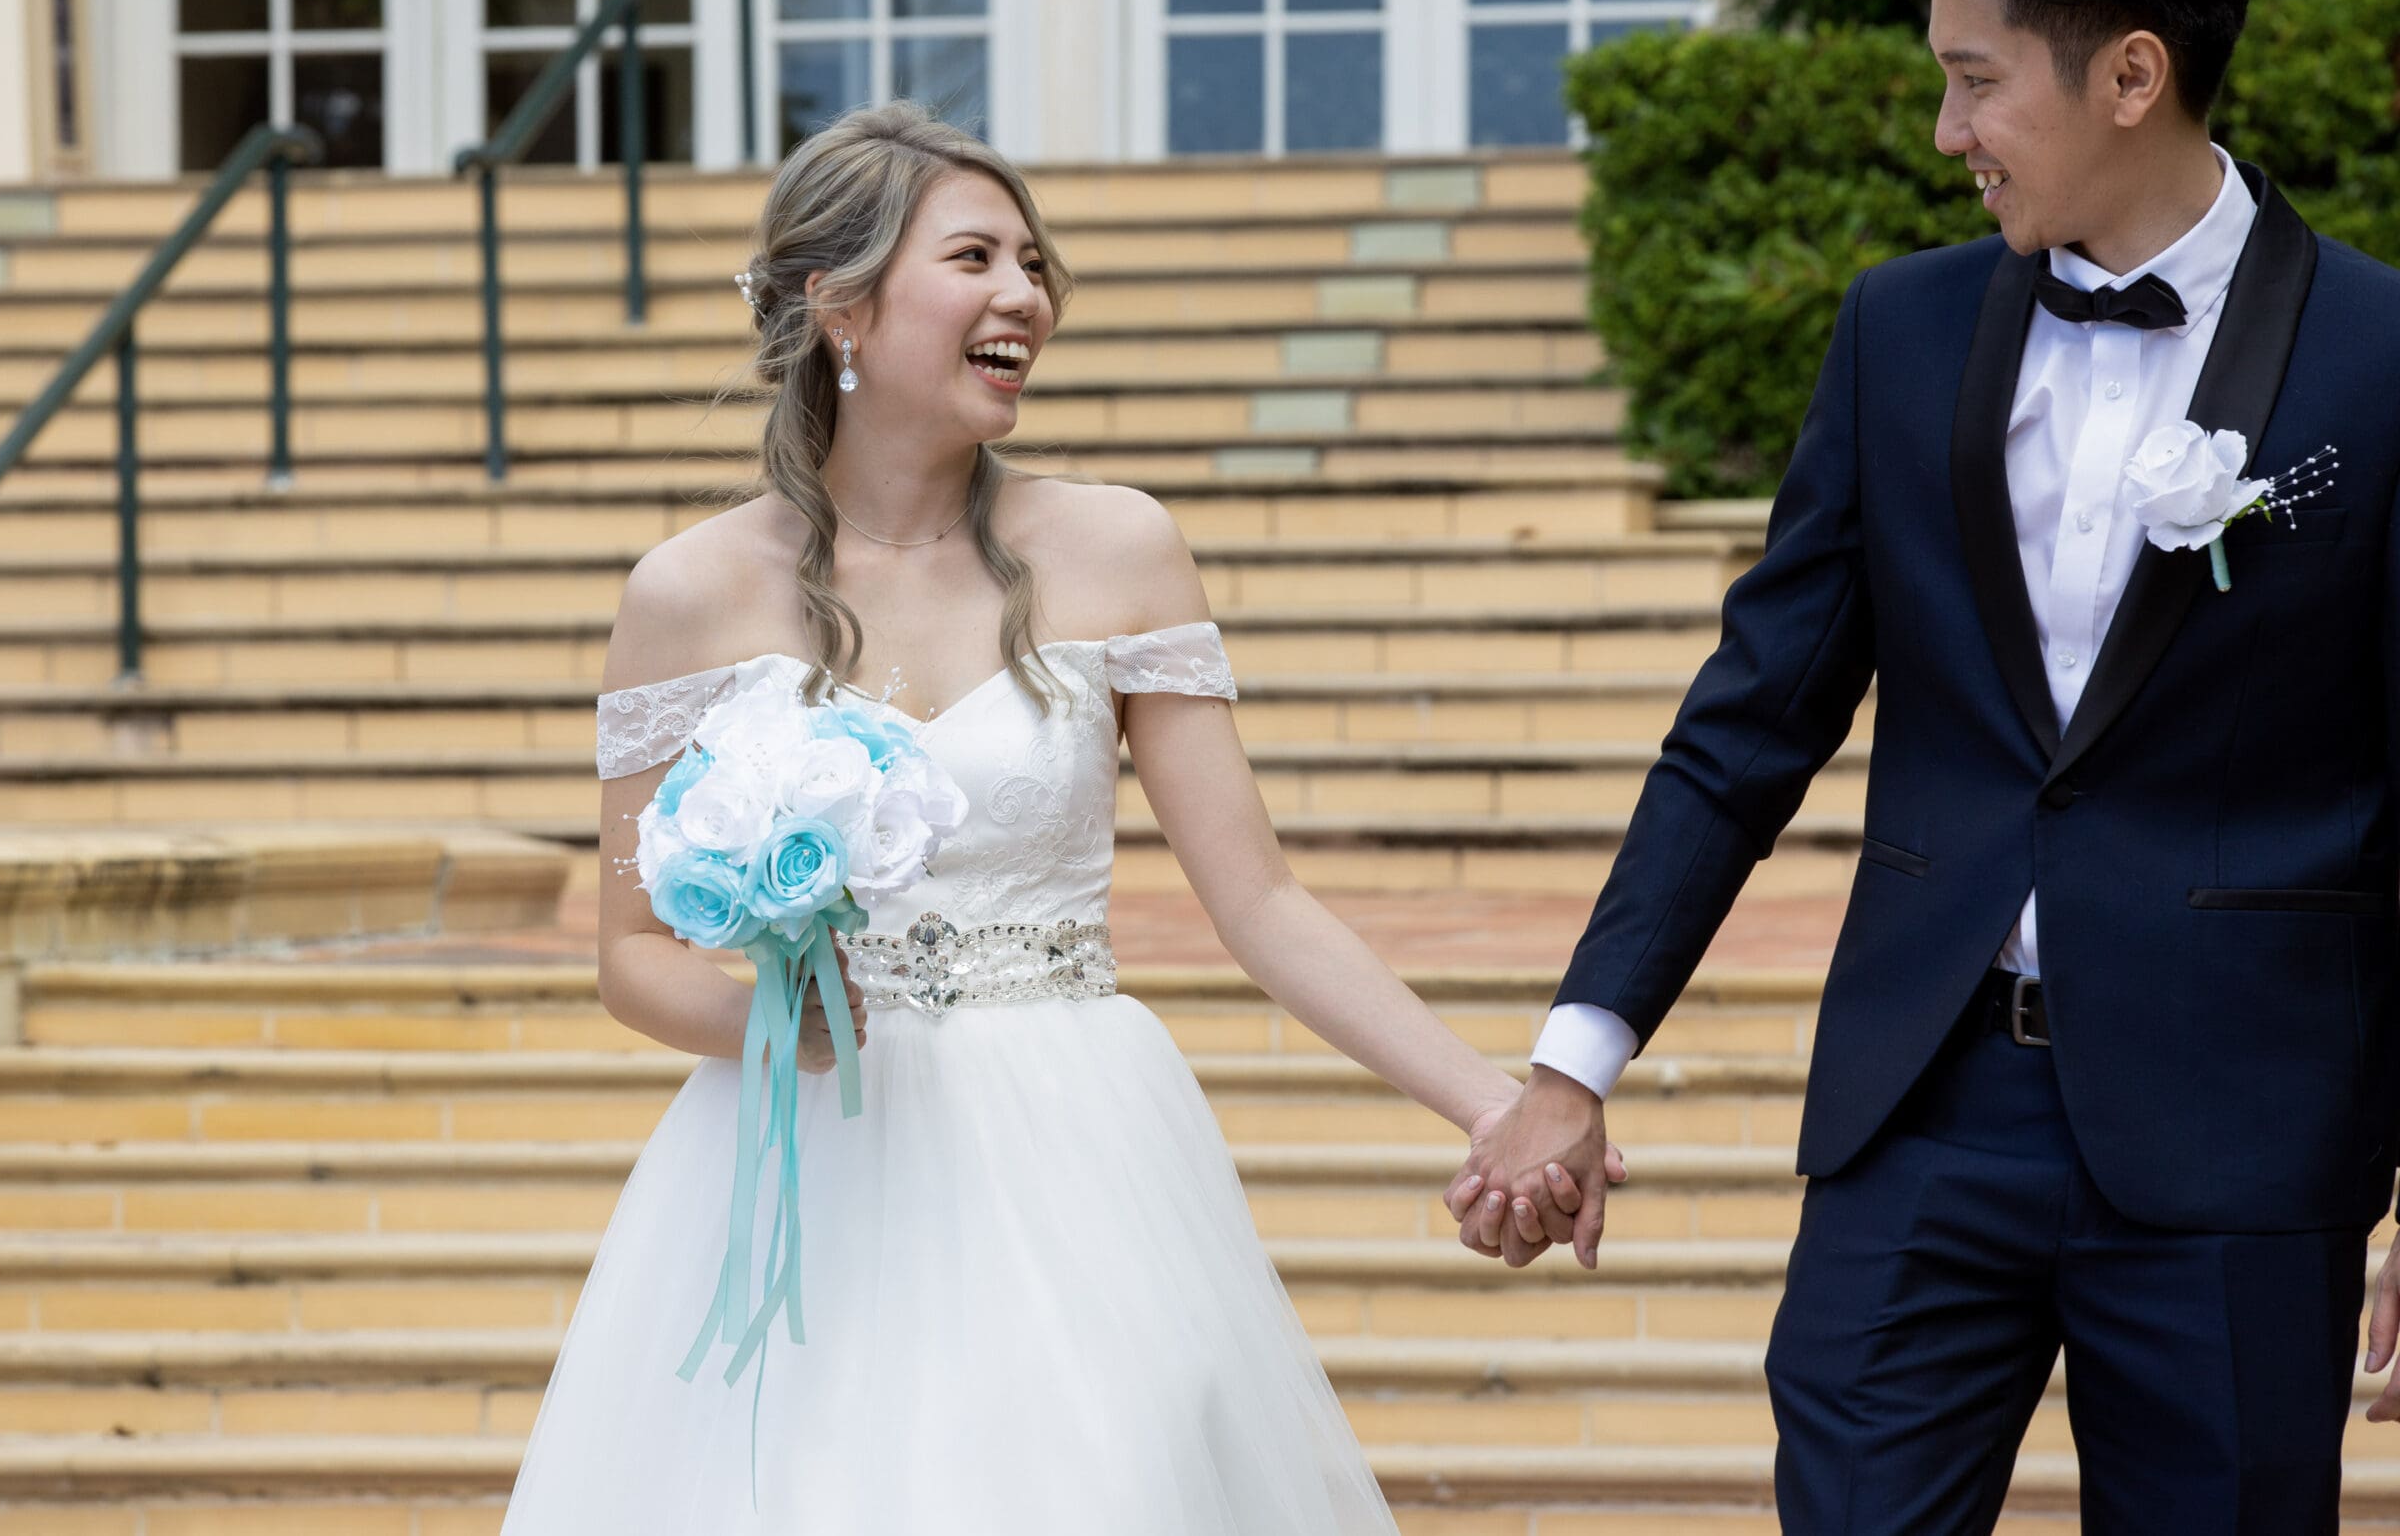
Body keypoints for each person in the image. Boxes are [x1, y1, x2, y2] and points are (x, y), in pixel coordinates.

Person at [1445, 0, 2400, 1530]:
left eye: (1976, 81)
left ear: (2132, 75)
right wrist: (1573, 1062)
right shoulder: (1898, 331)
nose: (1947, 131)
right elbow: (1748, 726)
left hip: (2243, 1136)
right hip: (1924, 1113)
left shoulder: (2380, 360)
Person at [500, 100, 1618, 1533]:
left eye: (1032, 264)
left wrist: (1493, 1102)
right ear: (839, 306)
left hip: (1074, 1151)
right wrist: (778, 1024)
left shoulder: (1118, 546)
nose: (1023, 295)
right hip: (802, 1162)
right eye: (974, 258)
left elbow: (1262, 903)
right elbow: (632, 951)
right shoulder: (687, 592)